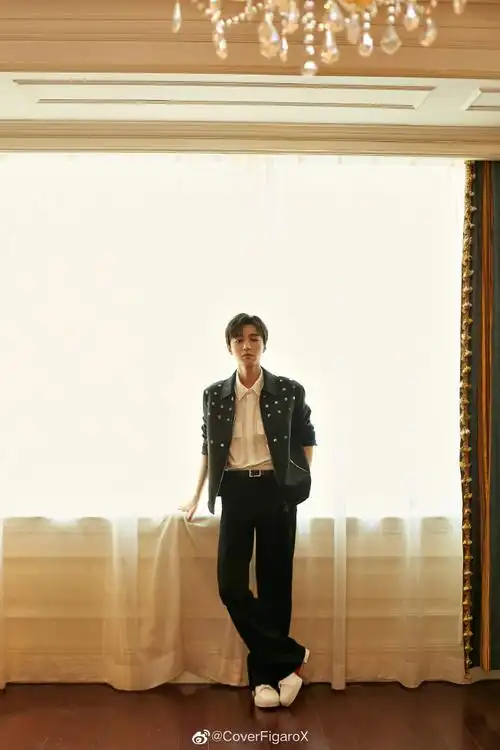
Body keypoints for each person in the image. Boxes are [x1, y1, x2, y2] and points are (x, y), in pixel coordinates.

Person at [179, 313, 317, 709]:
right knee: (231, 585)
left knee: (275, 585)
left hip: (276, 491)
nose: (247, 345)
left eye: (254, 338)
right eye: (239, 339)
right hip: (236, 492)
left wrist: (296, 482)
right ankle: (290, 657)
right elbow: (208, 447)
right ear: (229, 347)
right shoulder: (214, 395)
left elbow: (306, 438)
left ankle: (266, 679)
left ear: (264, 344)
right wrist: (196, 494)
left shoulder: (289, 390)